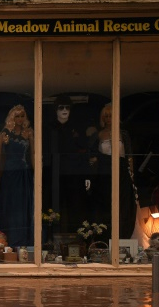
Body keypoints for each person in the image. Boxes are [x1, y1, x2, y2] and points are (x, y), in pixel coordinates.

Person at [86, 103, 138, 240]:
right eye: (106, 116)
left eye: (111, 116)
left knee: (123, 204)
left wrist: (131, 175)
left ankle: (122, 237)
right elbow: (91, 156)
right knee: (105, 205)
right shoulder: (98, 135)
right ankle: (104, 237)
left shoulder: (124, 134)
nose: (109, 118)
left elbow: (129, 156)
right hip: (104, 173)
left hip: (121, 171)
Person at [0, 104, 34, 251]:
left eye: (22, 116)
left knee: (23, 205)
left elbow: (33, 154)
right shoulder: (5, 133)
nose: (20, 119)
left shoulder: (29, 133)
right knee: (8, 204)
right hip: (9, 172)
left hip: (24, 172)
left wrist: (36, 171)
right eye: (17, 116)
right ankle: (6, 239)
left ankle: (24, 239)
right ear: (12, 117)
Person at [42, 94, 91, 235]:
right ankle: (51, 238)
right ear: (55, 110)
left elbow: (83, 151)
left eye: (67, 108)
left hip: (73, 173)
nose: (64, 110)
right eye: (61, 107)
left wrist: (86, 174)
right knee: (53, 207)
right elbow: (44, 153)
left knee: (74, 206)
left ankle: (76, 238)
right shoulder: (48, 129)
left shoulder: (76, 128)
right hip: (53, 174)